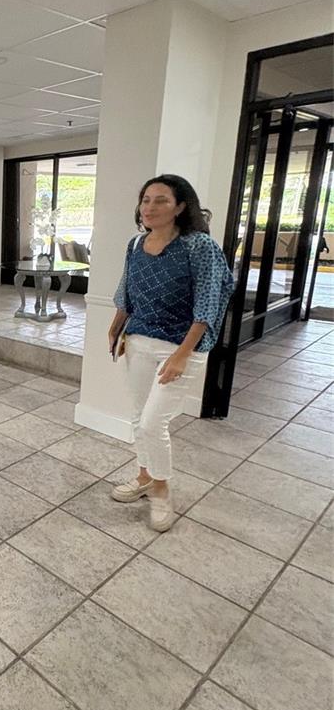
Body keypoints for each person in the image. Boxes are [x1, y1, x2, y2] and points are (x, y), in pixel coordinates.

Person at [108, 174, 233, 532]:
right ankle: (144, 476)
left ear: (180, 207)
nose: (150, 207)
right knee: (138, 416)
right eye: (146, 200)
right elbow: (127, 291)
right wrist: (116, 327)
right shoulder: (136, 244)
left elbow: (208, 304)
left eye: (161, 200)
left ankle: (161, 489)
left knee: (153, 421)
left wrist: (181, 355)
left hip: (182, 347)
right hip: (139, 340)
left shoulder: (199, 246)